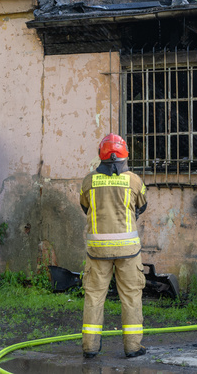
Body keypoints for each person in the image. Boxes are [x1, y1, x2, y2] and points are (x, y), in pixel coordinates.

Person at [79, 133, 147, 359]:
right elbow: (142, 205)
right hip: (128, 251)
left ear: (101, 156)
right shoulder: (134, 180)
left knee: (94, 297)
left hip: (98, 251)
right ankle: (133, 347)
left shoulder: (89, 181)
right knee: (131, 296)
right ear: (124, 156)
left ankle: (90, 347)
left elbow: (84, 205)